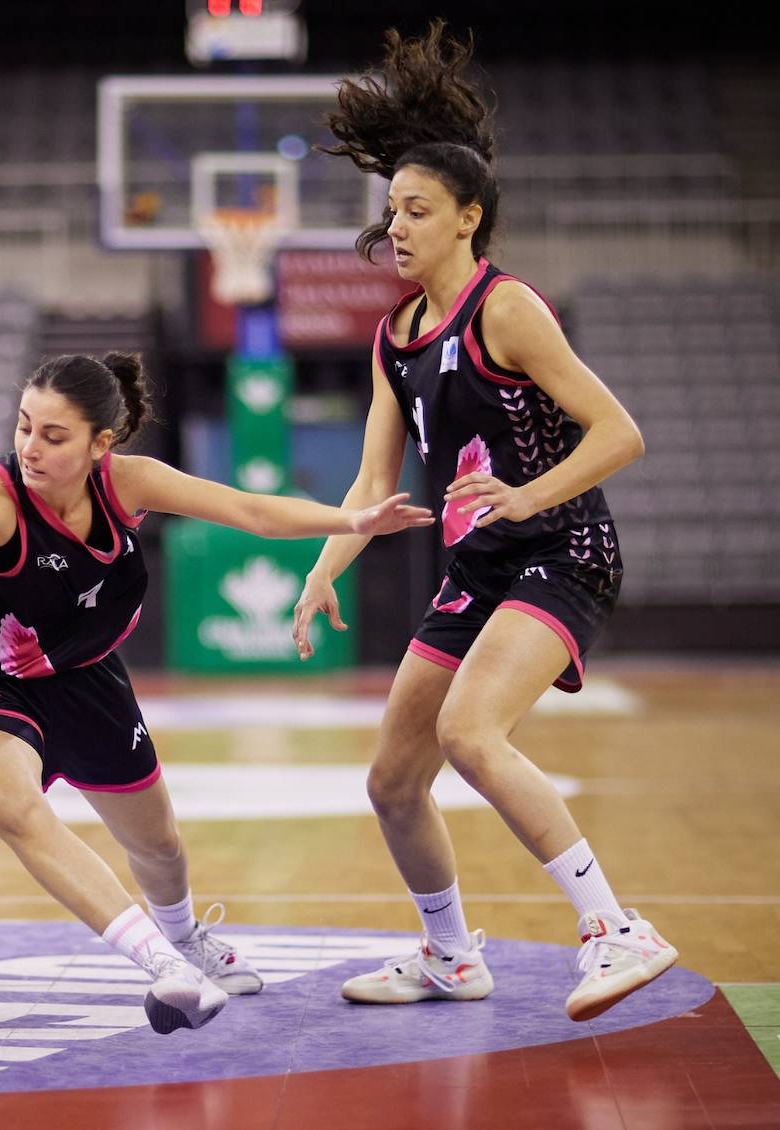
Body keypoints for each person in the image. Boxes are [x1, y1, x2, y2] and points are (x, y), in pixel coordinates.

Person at [0, 352, 433, 1034]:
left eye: (53, 436)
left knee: (160, 846)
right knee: (15, 808)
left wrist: (352, 522)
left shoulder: (128, 483)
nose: (30, 447)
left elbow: (249, 510)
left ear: (100, 444)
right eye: (24, 426)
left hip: (86, 676)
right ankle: (165, 966)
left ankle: (184, 938)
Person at [292, 22, 677, 1021]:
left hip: (563, 550)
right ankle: (452, 955)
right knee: (391, 781)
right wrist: (323, 569)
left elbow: (620, 432)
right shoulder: (394, 336)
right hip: (480, 569)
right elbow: (370, 482)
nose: (398, 226)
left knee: (470, 730)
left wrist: (526, 495)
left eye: (418, 210)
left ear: (469, 218)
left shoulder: (507, 310)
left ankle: (616, 928)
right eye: (392, 210)